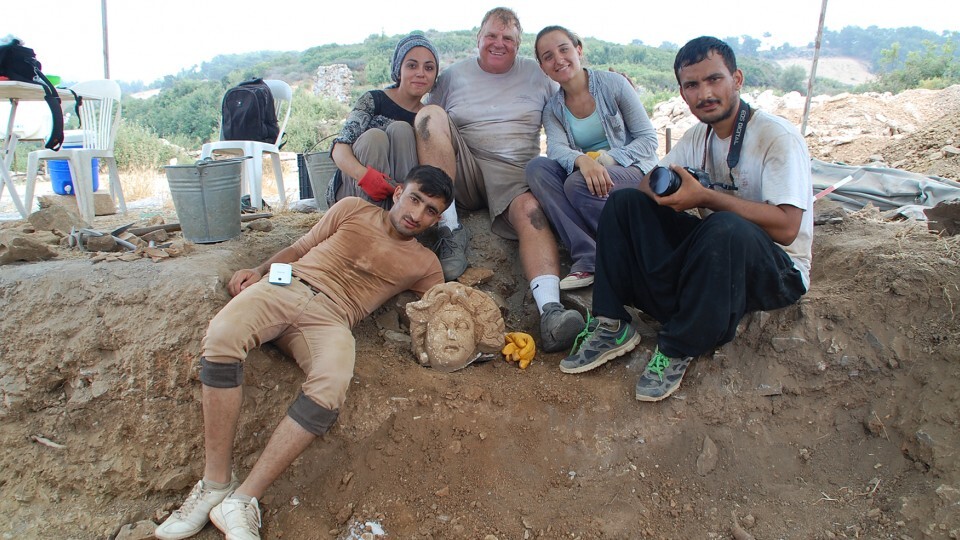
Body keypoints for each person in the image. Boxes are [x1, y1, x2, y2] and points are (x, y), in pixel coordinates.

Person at [154, 165, 453, 540]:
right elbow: (300, 247)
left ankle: (243, 500)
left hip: (334, 317)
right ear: (397, 194)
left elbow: (444, 306)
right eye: (415, 199)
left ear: (437, 219)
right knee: (222, 336)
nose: (417, 214)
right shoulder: (351, 209)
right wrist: (261, 269)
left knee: (331, 385)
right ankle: (214, 483)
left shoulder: (425, 263)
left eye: (430, 211)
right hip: (287, 285)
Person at [562, 36, 813, 402]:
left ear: (737, 79)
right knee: (624, 202)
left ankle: (678, 346)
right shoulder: (700, 135)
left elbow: (788, 229)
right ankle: (611, 323)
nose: (704, 93)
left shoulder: (776, 137)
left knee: (724, 225)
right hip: (715, 261)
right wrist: (670, 191)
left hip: (776, 270)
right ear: (682, 93)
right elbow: (652, 182)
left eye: (714, 80)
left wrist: (708, 196)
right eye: (692, 85)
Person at [414, 7, 585, 353]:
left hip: (515, 172)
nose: (498, 43)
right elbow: (425, 122)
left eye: (508, 38)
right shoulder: (453, 76)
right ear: (478, 38)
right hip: (461, 167)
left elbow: (574, 96)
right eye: (491, 36)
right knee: (430, 114)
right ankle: (449, 230)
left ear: (518, 45)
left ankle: (551, 312)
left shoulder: (539, 75)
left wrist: (608, 84)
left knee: (532, 213)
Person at [526, 25, 658, 290]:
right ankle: (588, 256)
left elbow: (648, 140)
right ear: (542, 67)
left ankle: (626, 253)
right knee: (537, 168)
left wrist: (606, 161)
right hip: (586, 174)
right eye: (548, 56)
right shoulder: (553, 109)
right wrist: (583, 161)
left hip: (632, 170)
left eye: (564, 49)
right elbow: (557, 149)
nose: (558, 59)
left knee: (577, 184)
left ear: (578, 50)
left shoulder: (614, 85)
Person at [328, 34, 440, 209]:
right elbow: (339, 147)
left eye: (429, 68)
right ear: (398, 69)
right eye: (412, 65)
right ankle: (371, 224)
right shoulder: (373, 100)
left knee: (402, 130)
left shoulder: (428, 118)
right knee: (374, 137)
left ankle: (399, 219)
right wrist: (364, 176)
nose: (420, 73)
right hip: (354, 190)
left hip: (400, 196)